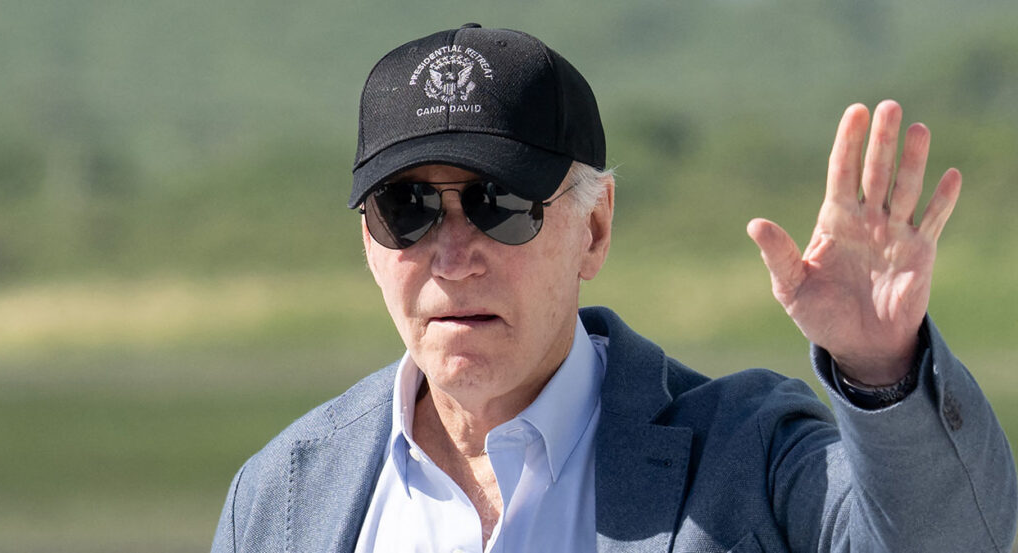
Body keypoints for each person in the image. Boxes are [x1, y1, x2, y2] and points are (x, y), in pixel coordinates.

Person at [211, 24, 1018, 552]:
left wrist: (883, 368)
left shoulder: (747, 458)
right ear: (367, 236)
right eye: (407, 208)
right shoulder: (283, 495)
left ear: (593, 229)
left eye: (501, 205)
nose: (453, 257)